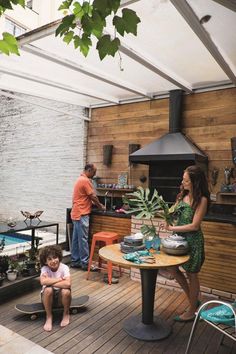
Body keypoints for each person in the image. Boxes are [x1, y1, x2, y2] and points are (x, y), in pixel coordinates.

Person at [163, 165, 210, 322]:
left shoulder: (202, 200)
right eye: (182, 179)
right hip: (179, 240)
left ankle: (191, 310)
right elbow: (172, 214)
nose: (183, 183)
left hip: (193, 241)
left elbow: (194, 226)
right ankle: (193, 300)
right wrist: (164, 213)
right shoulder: (182, 196)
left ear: (195, 182)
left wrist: (172, 227)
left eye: (186, 180)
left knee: (192, 275)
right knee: (172, 268)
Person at [70, 163, 105, 271]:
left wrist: (93, 203)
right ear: (89, 170)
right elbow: (93, 196)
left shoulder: (80, 179)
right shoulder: (85, 180)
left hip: (76, 213)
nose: (94, 175)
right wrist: (100, 206)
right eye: (94, 172)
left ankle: (75, 261)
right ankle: (85, 263)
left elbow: (84, 197)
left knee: (76, 240)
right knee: (83, 240)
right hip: (82, 214)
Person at [39, 245, 71, 332]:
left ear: (59, 257)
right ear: (45, 261)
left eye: (55, 257)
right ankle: (49, 316)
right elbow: (43, 282)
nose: (53, 261)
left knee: (66, 292)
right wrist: (60, 279)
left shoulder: (64, 267)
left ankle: (66, 313)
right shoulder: (44, 268)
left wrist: (50, 281)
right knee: (48, 289)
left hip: (61, 298)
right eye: (49, 259)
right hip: (47, 298)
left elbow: (68, 284)